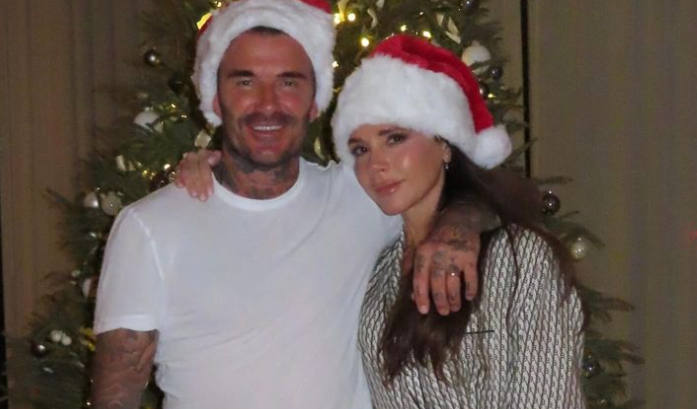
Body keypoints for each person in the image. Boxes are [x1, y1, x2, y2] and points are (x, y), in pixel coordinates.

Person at [90, 1, 489, 409]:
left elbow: (469, 189)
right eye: (245, 81)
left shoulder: (362, 194)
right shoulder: (150, 227)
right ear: (214, 99)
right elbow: (116, 395)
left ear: (315, 100)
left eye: (288, 82)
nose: (267, 104)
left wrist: (457, 224)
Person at [178, 35, 586, 408]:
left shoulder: (517, 259)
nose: (377, 164)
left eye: (394, 139)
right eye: (360, 149)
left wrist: (461, 220)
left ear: (444, 143)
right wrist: (212, 166)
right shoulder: (376, 268)